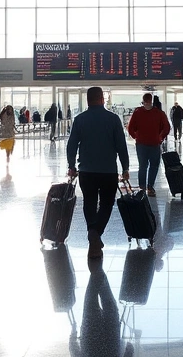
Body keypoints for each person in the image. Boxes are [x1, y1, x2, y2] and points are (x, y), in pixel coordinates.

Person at [67, 87, 130, 259]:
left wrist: (71, 166)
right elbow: (121, 146)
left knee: (89, 202)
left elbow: (71, 145)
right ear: (102, 99)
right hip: (108, 171)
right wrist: (125, 167)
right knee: (106, 204)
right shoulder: (113, 119)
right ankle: (95, 234)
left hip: (87, 171)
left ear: (88, 100)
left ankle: (93, 234)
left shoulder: (80, 119)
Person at [127, 93, 171, 196]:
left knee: (143, 166)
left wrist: (136, 136)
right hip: (155, 143)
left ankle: (142, 187)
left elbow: (130, 127)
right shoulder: (159, 113)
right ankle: (150, 187)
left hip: (141, 144)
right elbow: (167, 127)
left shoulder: (138, 112)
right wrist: (160, 137)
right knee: (154, 166)